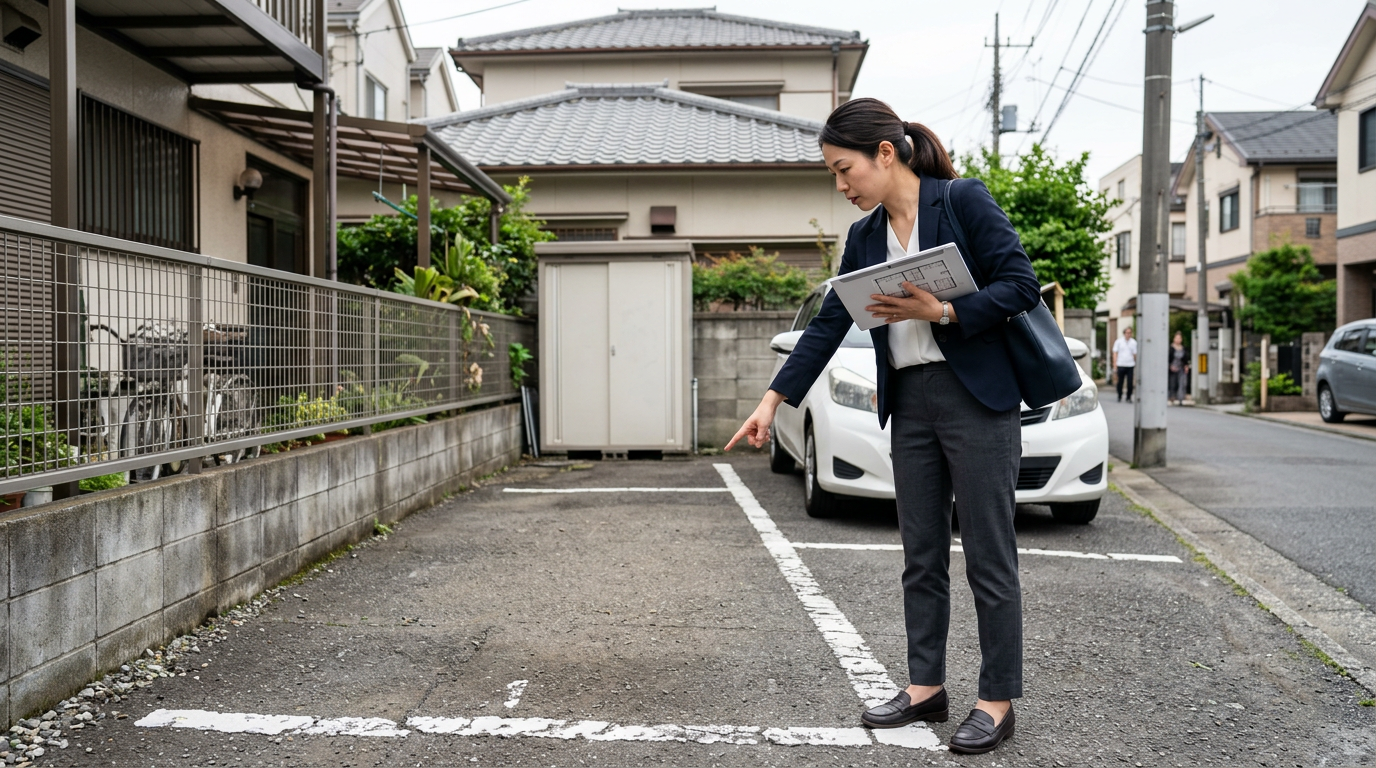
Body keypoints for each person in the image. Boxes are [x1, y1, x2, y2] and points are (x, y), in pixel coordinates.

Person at [725, 97, 1041, 756]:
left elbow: (1021, 285)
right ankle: (925, 686)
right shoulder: (866, 237)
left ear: (885, 154)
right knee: (920, 556)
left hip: (976, 398)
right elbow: (830, 322)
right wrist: (773, 400)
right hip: (910, 400)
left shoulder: (961, 201)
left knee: (989, 554)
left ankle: (996, 699)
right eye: (835, 176)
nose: (842, 187)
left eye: (846, 171)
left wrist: (946, 312)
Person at [1112, 326, 1137, 402]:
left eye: (1130, 333)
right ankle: (1119, 395)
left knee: (1130, 383)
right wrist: (1115, 364)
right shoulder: (1118, 342)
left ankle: (1128, 397)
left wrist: (1135, 362)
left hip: (1130, 365)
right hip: (1121, 364)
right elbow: (1115, 353)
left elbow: (1135, 354)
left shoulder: (1134, 342)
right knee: (1120, 382)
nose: (1128, 334)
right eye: (1127, 333)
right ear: (1124, 333)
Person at [1168, 331, 1190, 405]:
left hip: (1181, 368)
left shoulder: (1183, 348)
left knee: (1182, 383)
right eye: (1177, 338)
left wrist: (1186, 366)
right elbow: (1168, 358)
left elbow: (1186, 359)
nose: (1178, 339)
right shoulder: (1171, 348)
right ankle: (1172, 397)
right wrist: (1170, 366)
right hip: (1172, 368)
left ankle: (1181, 398)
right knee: (1172, 383)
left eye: (1179, 338)